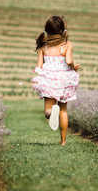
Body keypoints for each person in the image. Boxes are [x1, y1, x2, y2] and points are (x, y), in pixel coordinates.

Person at [31, 15, 80, 145]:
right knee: (63, 110)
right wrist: (74, 67)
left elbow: (38, 67)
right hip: (64, 80)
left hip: (50, 80)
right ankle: (63, 141)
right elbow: (69, 61)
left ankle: (52, 112)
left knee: (48, 110)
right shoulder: (67, 45)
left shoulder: (44, 48)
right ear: (63, 30)